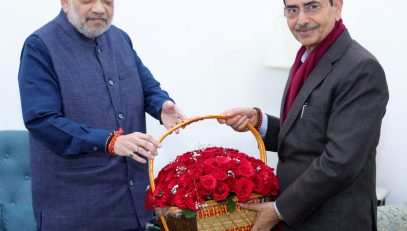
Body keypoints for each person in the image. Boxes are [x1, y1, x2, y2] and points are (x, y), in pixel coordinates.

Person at [218, 0, 389, 230]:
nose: (301, 20)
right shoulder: (305, 58)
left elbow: (340, 162)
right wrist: (259, 122)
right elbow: (305, 135)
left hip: (334, 221)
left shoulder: (361, 68)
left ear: (337, 7)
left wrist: (279, 210)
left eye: (312, 6)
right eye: (292, 10)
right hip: (299, 218)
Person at [18, 0, 186, 230]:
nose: (99, 8)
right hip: (78, 211)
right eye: (88, 0)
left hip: (134, 204)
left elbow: (146, 86)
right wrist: (109, 141)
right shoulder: (40, 46)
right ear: (66, 2)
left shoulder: (120, 39)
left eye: (107, 1)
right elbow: (42, 119)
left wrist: (161, 105)